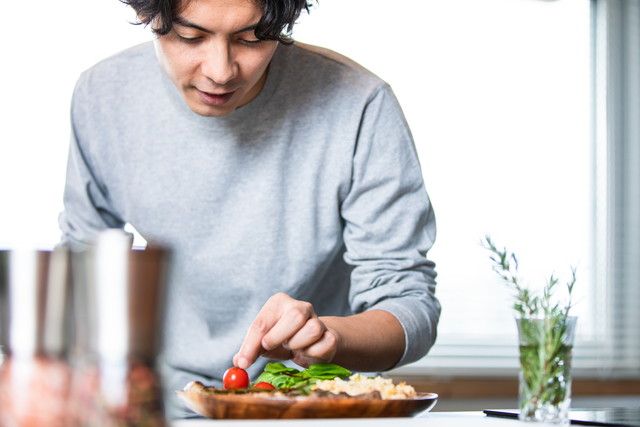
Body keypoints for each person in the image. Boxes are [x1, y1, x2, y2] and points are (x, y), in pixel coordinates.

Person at [58, 0, 441, 417]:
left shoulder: (359, 104)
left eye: (253, 39)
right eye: (191, 37)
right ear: (150, 17)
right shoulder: (103, 96)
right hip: (160, 409)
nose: (221, 71)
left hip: (307, 410)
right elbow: (81, 277)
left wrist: (329, 335)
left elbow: (409, 305)